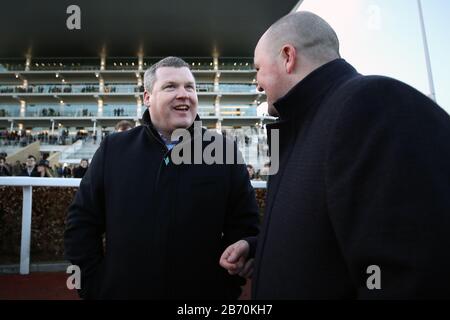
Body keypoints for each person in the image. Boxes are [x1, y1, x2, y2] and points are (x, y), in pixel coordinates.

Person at [220, 11, 450, 299]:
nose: (257, 83)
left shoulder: (372, 105)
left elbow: (405, 273)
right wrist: (260, 249)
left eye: (257, 69)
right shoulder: (301, 131)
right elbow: (330, 236)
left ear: (287, 57)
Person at [64, 56, 259, 299]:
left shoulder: (225, 151)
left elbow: (246, 227)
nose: (184, 94)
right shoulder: (113, 149)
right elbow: (82, 221)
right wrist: (94, 286)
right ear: (147, 98)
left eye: (190, 87)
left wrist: (226, 286)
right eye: (170, 86)